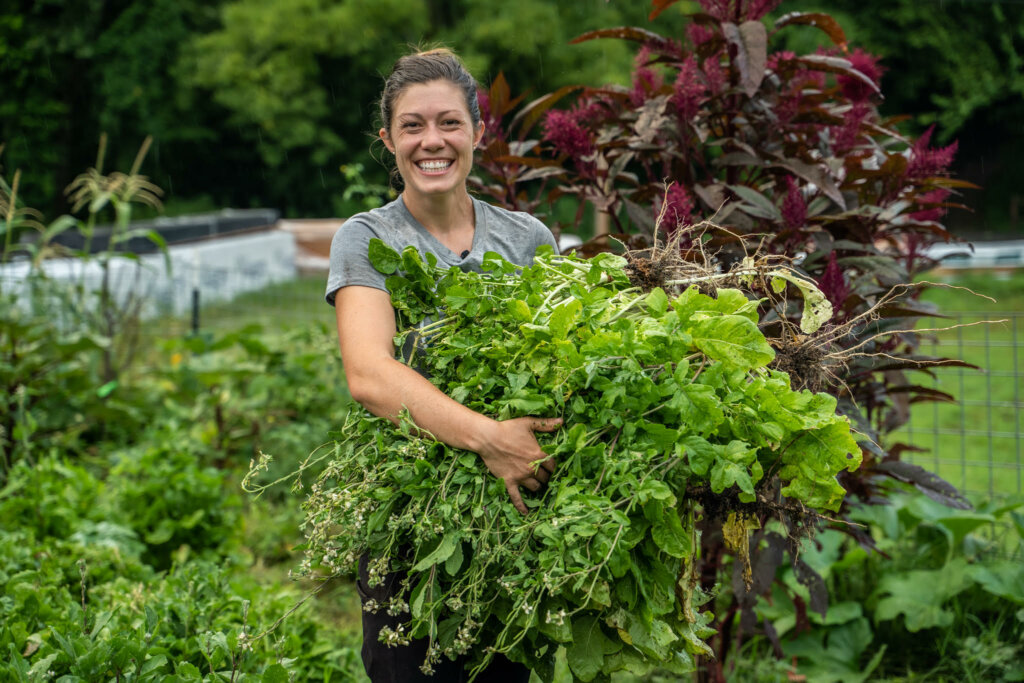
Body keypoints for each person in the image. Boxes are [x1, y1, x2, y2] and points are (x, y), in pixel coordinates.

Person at [325, 48, 561, 682]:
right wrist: (490, 438)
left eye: (450, 123)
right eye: (412, 125)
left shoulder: (528, 240)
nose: (433, 141)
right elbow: (370, 375)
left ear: (479, 133)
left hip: (516, 529)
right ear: (389, 140)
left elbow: (563, 366)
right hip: (412, 525)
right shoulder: (368, 239)